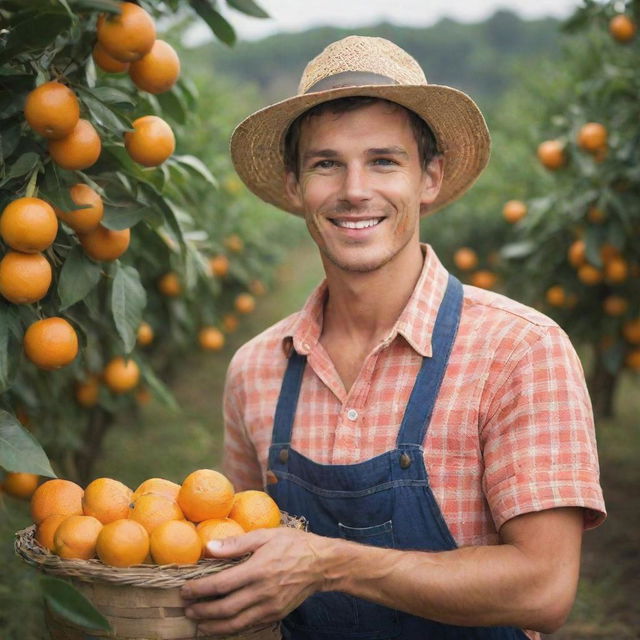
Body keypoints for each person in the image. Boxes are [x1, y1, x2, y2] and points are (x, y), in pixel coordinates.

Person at [181, 36, 606, 640]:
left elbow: (543, 588)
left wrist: (329, 564)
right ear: (296, 185)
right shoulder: (256, 369)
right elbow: (243, 554)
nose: (355, 189)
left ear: (428, 178)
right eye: (326, 163)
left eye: (383, 160)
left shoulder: (520, 352)